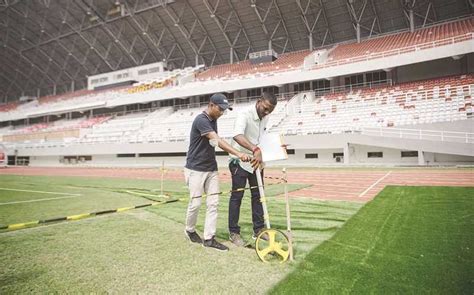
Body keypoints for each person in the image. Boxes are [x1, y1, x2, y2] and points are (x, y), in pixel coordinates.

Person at [184, 93, 251, 252]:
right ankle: (189, 230)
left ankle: (209, 239)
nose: (222, 112)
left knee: (213, 204)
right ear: (211, 105)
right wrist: (238, 153)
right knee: (195, 204)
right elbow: (218, 141)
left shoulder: (214, 120)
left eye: (224, 110)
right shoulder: (201, 120)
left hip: (211, 169)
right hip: (195, 169)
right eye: (220, 109)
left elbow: (214, 142)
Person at [228, 92, 278, 246]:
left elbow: (260, 138)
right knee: (237, 197)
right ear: (258, 102)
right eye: (265, 108)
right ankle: (234, 232)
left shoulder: (266, 116)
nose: (267, 112)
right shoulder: (244, 114)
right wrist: (255, 149)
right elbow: (237, 135)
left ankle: (258, 230)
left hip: (256, 163)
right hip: (239, 161)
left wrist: (275, 148)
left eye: (270, 110)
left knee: (258, 196)